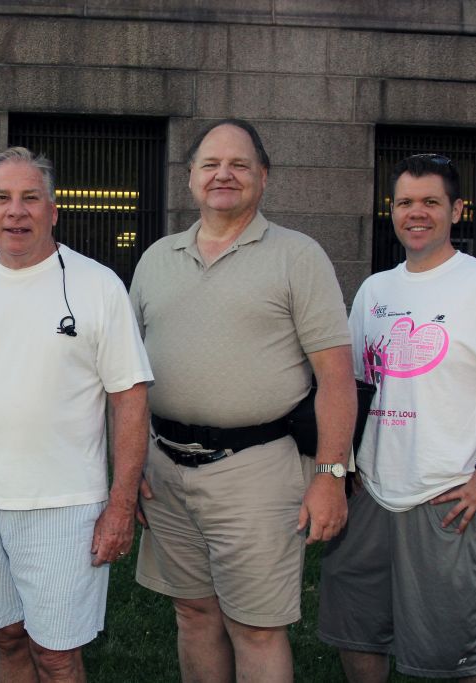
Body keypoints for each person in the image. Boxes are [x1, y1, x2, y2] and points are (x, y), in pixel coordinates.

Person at [0, 147, 153, 682]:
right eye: (2, 198)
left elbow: (129, 399)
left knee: (58, 654)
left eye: (29, 198)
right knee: (7, 638)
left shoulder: (98, 287)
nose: (16, 211)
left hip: (65, 506)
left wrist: (121, 502)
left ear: (53, 210)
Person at [318, 154, 476, 682]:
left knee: (468, 656)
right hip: (370, 496)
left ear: (458, 209)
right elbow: (352, 387)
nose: (417, 213)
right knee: (358, 632)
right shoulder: (374, 291)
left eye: (431, 201)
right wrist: (344, 466)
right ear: (392, 211)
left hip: (450, 498)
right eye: (405, 202)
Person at [129, 119, 357, 682]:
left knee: (256, 627)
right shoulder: (157, 258)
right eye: (210, 164)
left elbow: (336, 376)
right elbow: (125, 378)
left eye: (238, 164)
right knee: (193, 612)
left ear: (263, 176)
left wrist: (331, 474)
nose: (222, 175)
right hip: (164, 467)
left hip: (258, 470)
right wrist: (126, 469)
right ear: (190, 178)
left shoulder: (298, 257)